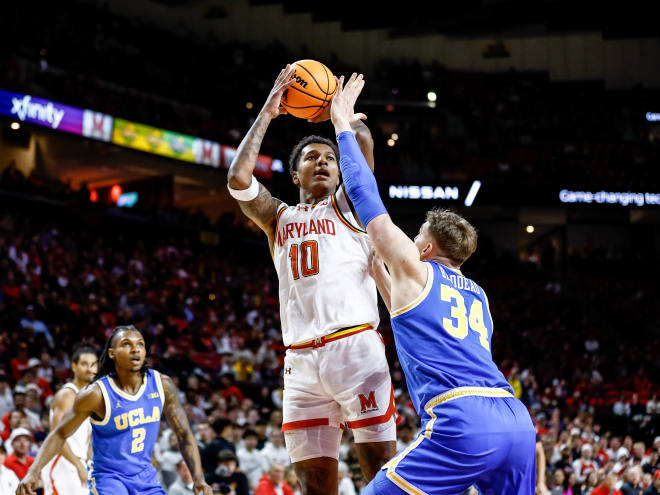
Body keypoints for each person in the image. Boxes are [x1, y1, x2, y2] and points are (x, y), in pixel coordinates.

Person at [330, 73, 537, 494]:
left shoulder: (413, 265)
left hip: (462, 419)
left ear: (424, 247)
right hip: (516, 422)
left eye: (417, 235)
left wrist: (340, 124)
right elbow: (414, 318)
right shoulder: (478, 296)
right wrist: (378, 276)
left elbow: (365, 195)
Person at [226, 64, 396, 493]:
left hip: (355, 350)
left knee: (380, 473)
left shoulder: (349, 205)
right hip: (300, 361)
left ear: (342, 174)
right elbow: (238, 179)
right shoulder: (277, 217)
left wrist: (342, 115)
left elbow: (364, 144)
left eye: (331, 159)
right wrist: (269, 110)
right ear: (295, 174)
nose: (323, 162)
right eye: (311, 157)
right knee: (315, 486)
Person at [16, 325, 212, 495]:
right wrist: (33, 471)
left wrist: (199, 479)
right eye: (126, 344)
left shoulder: (162, 385)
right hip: (109, 479)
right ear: (112, 353)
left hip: (145, 478)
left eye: (140, 344)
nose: (135, 349)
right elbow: (59, 433)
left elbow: (184, 434)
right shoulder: (96, 394)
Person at [40, 344, 98, 495]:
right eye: (84, 364)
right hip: (62, 462)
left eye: (93, 364)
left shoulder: (87, 397)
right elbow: (56, 435)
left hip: (79, 461)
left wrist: (86, 462)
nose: (89, 369)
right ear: (74, 366)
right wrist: (78, 465)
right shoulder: (67, 395)